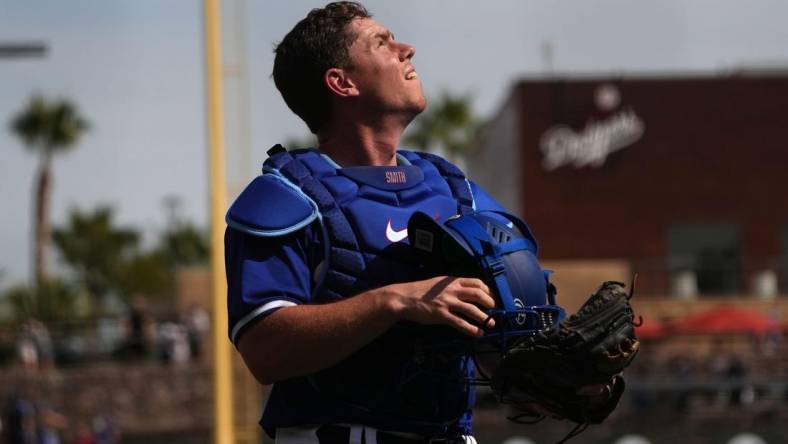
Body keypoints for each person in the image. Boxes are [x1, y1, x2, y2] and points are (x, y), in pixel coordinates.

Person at [225, 2, 543, 442]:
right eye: (382, 42)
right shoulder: (286, 198)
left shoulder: (455, 192)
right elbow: (264, 351)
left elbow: (499, 351)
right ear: (342, 82)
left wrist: (562, 379)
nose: (406, 49)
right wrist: (393, 301)